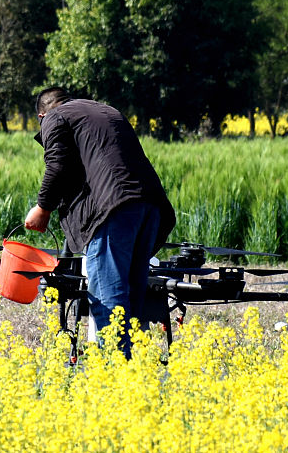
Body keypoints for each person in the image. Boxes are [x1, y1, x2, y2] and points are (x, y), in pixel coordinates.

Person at [24, 87, 175, 356]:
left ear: (41, 116)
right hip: (150, 206)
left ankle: (115, 368)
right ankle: (132, 369)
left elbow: (58, 165)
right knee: (132, 295)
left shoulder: (55, 117)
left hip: (114, 209)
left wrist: (43, 209)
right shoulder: (107, 110)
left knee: (109, 295)